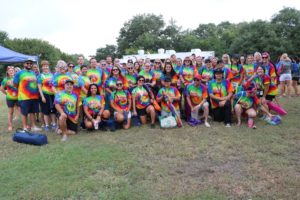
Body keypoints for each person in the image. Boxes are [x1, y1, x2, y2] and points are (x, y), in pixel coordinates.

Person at [13, 59, 42, 131]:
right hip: (24, 97)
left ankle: (33, 126)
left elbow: (37, 83)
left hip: (34, 96)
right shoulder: (19, 73)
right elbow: (15, 84)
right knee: (24, 112)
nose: (29, 64)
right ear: (24, 64)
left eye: (30, 63)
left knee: (32, 112)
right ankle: (25, 127)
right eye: (27, 63)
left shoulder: (33, 73)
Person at [37, 60, 56, 131]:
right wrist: (42, 97)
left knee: (53, 111)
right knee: (45, 111)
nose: (45, 67)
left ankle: (54, 124)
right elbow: (39, 87)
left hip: (52, 95)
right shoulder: (40, 76)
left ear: (48, 66)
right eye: (44, 66)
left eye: (47, 66)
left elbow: (54, 85)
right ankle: (47, 125)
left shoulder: (52, 75)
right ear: (42, 67)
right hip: (45, 95)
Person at [0, 66, 19, 131]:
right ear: (7, 72)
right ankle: (10, 126)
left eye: (12, 70)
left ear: (14, 72)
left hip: (18, 98)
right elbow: (1, 88)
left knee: (22, 111)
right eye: (9, 71)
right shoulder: (5, 79)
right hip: (10, 98)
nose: (11, 71)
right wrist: (6, 93)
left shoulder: (17, 78)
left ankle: (25, 125)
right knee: (10, 112)